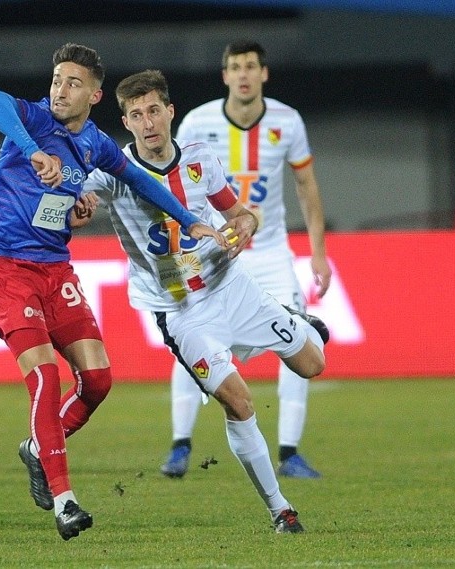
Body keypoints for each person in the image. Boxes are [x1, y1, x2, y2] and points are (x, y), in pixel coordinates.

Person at [0, 44, 219, 541]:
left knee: (99, 380)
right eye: (57, 79)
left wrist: (190, 219)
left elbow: (145, 184)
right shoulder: (35, 121)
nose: (60, 89)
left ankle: (39, 448)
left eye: (73, 83)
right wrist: (31, 148)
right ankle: (65, 502)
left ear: (95, 94)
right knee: (44, 375)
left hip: (54, 268)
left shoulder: (98, 145)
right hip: (1, 265)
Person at [80, 69, 326, 533]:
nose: (148, 122)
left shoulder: (199, 159)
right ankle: (280, 509)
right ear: (126, 122)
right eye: (136, 114)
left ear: (170, 113)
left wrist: (247, 226)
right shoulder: (112, 175)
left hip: (232, 287)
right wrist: (76, 205)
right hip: (182, 313)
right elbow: (79, 206)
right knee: (240, 401)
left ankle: (293, 323)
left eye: (154, 110)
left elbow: (239, 213)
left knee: (313, 365)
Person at [162, 39, 332, 479]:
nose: (242, 74)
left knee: (299, 340)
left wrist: (318, 252)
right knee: (191, 341)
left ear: (263, 74)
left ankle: (290, 451)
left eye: (250, 66)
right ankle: (180, 446)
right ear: (225, 76)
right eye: (234, 67)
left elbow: (306, 186)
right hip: (212, 255)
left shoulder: (286, 121)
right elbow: (173, 187)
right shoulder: (197, 122)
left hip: (270, 252)